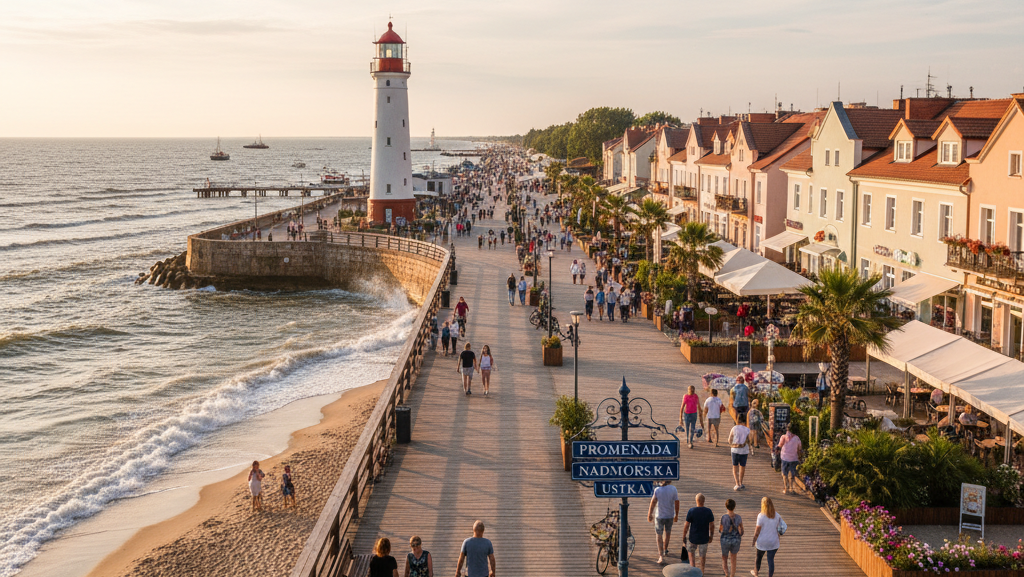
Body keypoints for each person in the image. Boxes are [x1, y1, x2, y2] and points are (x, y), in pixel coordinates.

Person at [647, 480, 679, 565]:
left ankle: (661, 555)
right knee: (668, 533)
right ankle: (665, 549)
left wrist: (649, 514)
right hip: (670, 515)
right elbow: (677, 502)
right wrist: (676, 514)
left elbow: (653, 502)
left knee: (659, 535)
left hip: (659, 516)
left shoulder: (657, 490)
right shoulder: (673, 489)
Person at [682, 493, 715, 574]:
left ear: (696, 501)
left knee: (691, 553)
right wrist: (711, 535)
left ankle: (693, 570)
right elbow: (712, 525)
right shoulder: (708, 511)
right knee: (702, 556)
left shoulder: (692, 511)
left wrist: (684, 536)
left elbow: (686, 525)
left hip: (693, 538)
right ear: (704, 501)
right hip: (704, 538)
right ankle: (702, 572)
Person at [751, 497, 784, 577]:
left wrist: (754, 540)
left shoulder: (761, 516)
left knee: (759, 558)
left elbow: (757, 531)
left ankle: (756, 573)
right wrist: (778, 539)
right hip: (773, 542)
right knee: (770, 560)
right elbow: (780, 529)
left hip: (762, 541)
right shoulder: (777, 515)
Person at [719, 499, 744, 577]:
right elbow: (742, 531)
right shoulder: (738, 517)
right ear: (734, 507)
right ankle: (732, 575)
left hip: (725, 540)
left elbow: (720, 530)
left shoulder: (724, 517)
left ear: (726, 506)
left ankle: (726, 573)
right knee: (733, 558)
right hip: (735, 540)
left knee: (724, 557)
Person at [777, 423, 803, 494]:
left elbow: (780, 445)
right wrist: (800, 457)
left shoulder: (783, 437)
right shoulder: (797, 438)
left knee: (784, 474)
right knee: (792, 474)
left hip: (785, 457)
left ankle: (786, 488)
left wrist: (777, 449)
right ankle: (791, 488)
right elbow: (799, 449)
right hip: (794, 458)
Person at [728, 413, 751, 491]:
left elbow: (729, 439)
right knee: (742, 466)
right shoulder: (747, 430)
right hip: (744, 451)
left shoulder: (734, 428)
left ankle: (737, 483)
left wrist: (732, 444)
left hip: (735, 450)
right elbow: (749, 440)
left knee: (735, 466)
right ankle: (741, 482)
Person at [679, 385, 702, 449]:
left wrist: (701, 412)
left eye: (693, 390)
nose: (691, 391)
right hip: (687, 414)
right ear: (688, 390)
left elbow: (698, 405)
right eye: (690, 390)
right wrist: (680, 419)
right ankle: (688, 439)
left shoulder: (695, 396)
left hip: (694, 414)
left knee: (692, 428)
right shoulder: (685, 396)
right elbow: (682, 408)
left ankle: (690, 441)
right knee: (687, 427)